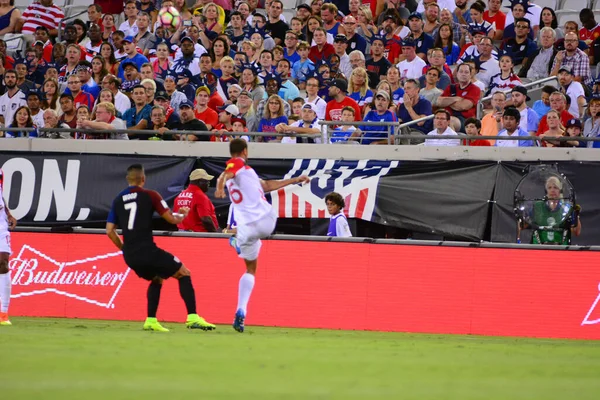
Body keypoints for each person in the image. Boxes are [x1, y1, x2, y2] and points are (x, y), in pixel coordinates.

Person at [106, 164, 216, 332]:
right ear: (143, 179)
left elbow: (109, 231)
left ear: (128, 179)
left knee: (157, 278)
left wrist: (123, 248)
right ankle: (192, 317)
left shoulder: (117, 199)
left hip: (130, 255)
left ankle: (151, 320)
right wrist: (183, 214)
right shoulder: (150, 195)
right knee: (183, 273)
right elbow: (172, 219)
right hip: (147, 250)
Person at [215, 139, 310, 332]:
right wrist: (219, 185)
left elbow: (267, 185)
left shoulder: (246, 175)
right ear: (245, 151)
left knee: (248, 263)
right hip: (266, 220)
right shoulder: (238, 163)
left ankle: (237, 241)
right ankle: (241, 310)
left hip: (247, 228)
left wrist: (295, 180)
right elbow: (227, 172)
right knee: (251, 269)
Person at [529, 176, 581, 245]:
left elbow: (576, 232)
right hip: (539, 248)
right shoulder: (537, 206)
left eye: (555, 187)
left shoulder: (566, 208)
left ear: (560, 190)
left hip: (561, 249)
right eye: (549, 188)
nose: (552, 190)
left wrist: (575, 214)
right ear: (546, 191)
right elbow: (523, 225)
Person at [0, 169, 16, 325]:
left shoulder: (0, 172)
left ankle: (3, 313)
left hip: (1, 225)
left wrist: (8, 214)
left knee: (3, 262)